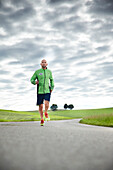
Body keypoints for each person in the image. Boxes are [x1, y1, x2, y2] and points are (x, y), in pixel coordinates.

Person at [30, 59, 54, 126]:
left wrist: (52, 87)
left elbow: (52, 80)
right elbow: (32, 79)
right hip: (40, 91)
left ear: (47, 64)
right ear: (40, 64)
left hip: (47, 90)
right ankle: (41, 119)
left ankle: (46, 113)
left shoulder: (49, 72)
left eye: (45, 62)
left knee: (47, 103)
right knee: (40, 106)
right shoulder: (37, 72)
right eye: (42, 62)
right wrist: (34, 82)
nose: (43, 63)